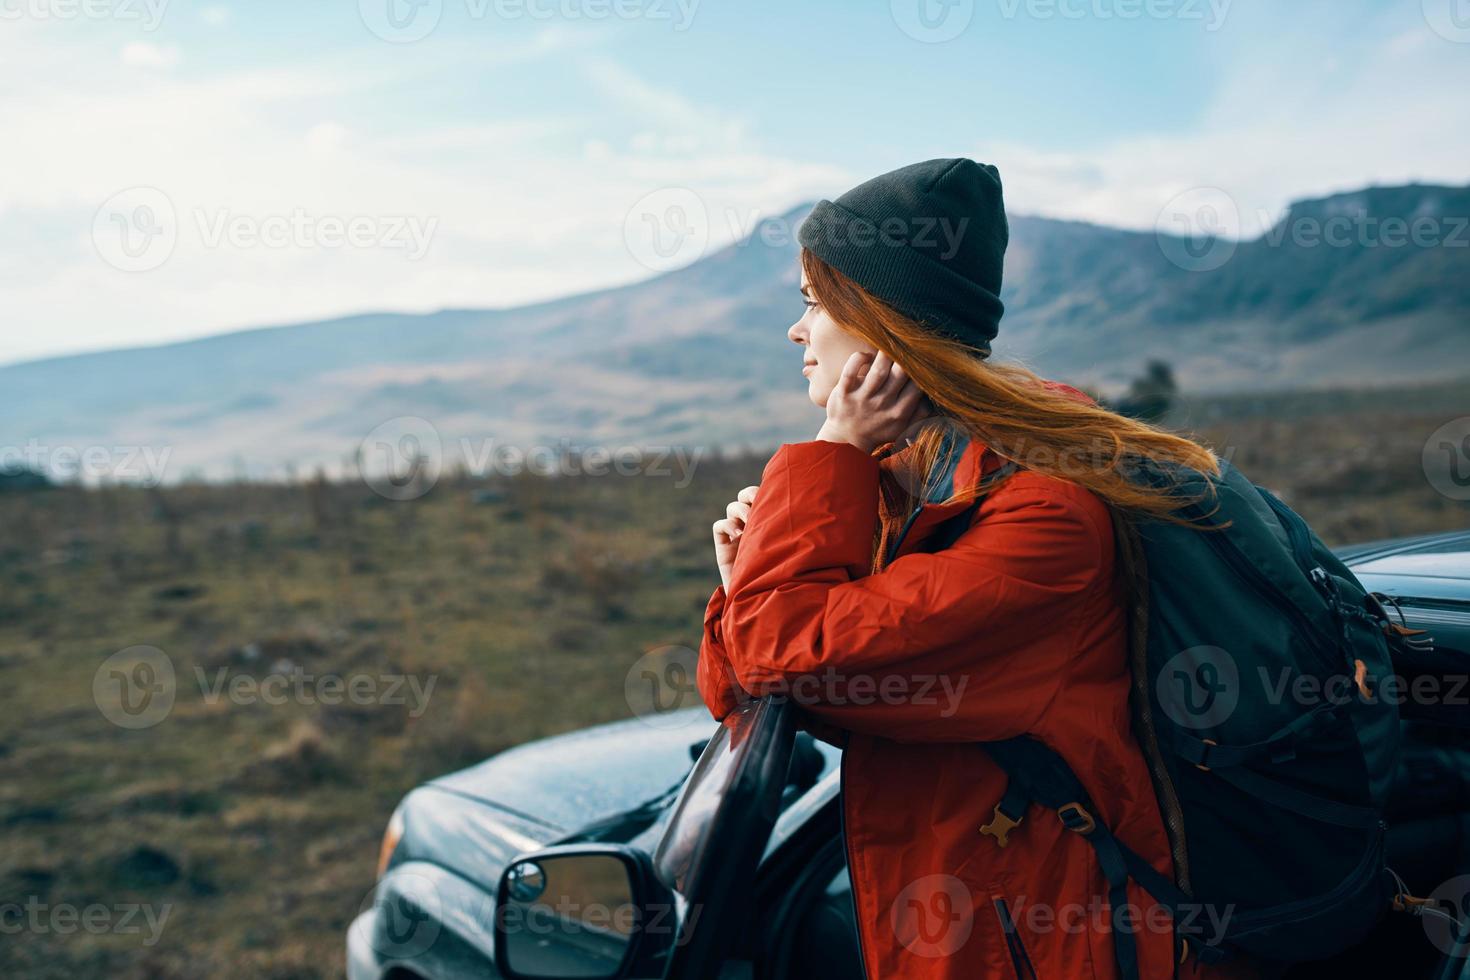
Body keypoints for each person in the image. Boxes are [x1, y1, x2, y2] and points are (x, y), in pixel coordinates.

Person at [696, 159, 1254, 979]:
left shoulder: (1042, 521)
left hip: (1047, 945)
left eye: (812, 303)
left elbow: (776, 651)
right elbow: (747, 690)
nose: (796, 330)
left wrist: (830, 458)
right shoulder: (912, 484)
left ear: (879, 325)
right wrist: (748, 571)